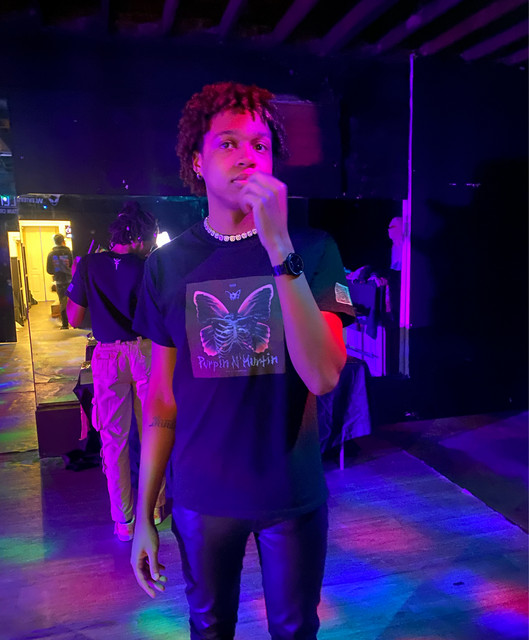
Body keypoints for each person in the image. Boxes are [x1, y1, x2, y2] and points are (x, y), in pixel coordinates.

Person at [130, 81, 355, 639]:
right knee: (208, 629)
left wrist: (280, 247)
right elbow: (161, 399)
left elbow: (324, 374)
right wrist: (143, 513)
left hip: (290, 493)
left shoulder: (314, 248)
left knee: (295, 630)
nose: (247, 155)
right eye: (227, 143)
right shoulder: (166, 266)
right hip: (202, 496)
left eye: (260, 144)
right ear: (196, 161)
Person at [66, 202, 166, 542]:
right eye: (150, 239)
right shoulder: (149, 266)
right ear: (138, 238)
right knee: (152, 432)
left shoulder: (88, 265)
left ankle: (124, 522)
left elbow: (74, 318)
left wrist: (88, 292)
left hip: (107, 356)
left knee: (114, 441)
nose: (150, 245)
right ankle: (154, 509)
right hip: (145, 352)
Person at [46, 233, 73, 329]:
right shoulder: (69, 252)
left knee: (62, 301)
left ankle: (65, 324)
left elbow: (49, 270)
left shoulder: (51, 254)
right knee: (73, 300)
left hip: (59, 282)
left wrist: (57, 270)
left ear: (55, 242)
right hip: (70, 280)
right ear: (63, 241)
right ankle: (74, 322)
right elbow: (72, 264)